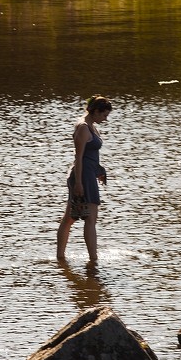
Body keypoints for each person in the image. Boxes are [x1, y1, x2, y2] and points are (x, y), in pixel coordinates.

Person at [56, 95, 112, 262]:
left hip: (89, 174)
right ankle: (93, 260)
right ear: (95, 111)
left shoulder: (92, 127)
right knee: (87, 218)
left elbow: (92, 155)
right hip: (81, 176)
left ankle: (61, 258)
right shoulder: (83, 128)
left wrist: (99, 171)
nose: (105, 119)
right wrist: (79, 182)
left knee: (72, 217)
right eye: (104, 115)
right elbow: (79, 157)